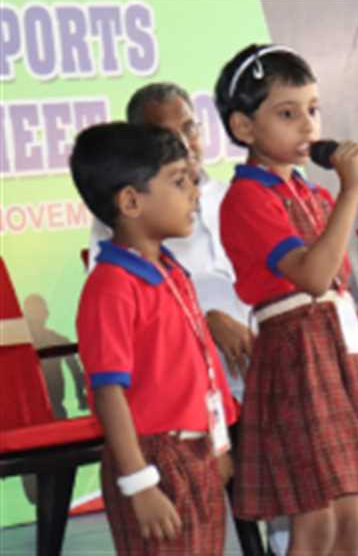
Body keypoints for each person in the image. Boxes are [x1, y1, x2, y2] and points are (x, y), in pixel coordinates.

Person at [213, 44, 358, 556]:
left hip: (339, 353)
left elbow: (335, 281)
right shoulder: (248, 197)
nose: (308, 125)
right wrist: (351, 193)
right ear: (243, 127)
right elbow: (311, 275)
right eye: (287, 114)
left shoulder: (312, 193)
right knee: (316, 521)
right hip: (298, 360)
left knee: (351, 520)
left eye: (313, 109)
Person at [72, 122, 239, 555]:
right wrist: (139, 483)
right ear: (130, 201)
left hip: (196, 450)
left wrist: (218, 444)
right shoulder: (111, 286)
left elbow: (201, 364)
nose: (195, 194)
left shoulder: (171, 272)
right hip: (152, 458)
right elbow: (108, 392)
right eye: (179, 182)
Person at [87, 83, 253, 400]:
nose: (184, 144)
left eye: (189, 128)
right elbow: (122, 317)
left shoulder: (234, 195)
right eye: (166, 135)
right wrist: (205, 322)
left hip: (262, 364)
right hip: (187, 382)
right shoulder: (125, 218)